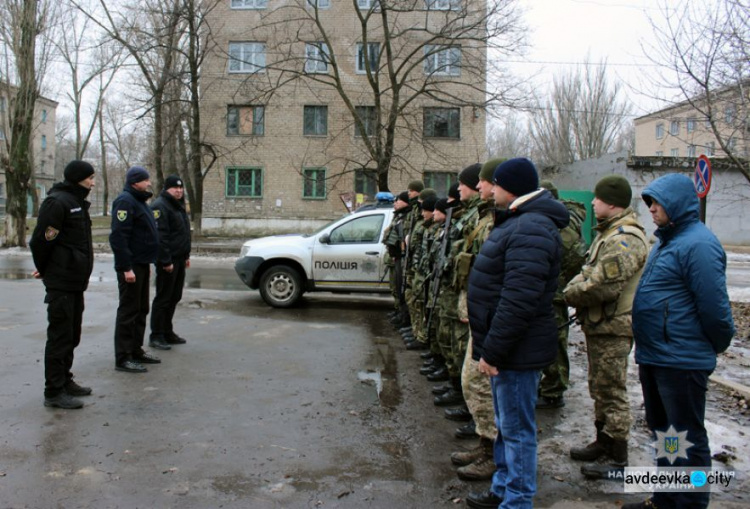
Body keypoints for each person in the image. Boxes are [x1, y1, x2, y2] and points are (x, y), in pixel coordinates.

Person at [624, 174, 735, 509]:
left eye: (657, 203)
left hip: (681, 360)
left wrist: (707, 347)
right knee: (667, 435)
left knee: (689, 438)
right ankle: (665, 498)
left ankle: (690, 502)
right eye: (649, 203)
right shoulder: (668, 241)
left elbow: (715, 310)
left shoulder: (698, 244)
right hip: (657, 356)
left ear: (676, 204)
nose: (652, 209)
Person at [466, 158, 568, 509]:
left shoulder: (531, 228)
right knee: (506, 425)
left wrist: (492, 351)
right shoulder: (521, 222)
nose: (488, 189)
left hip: (514, 350)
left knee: (517, 430)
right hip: (508, 347)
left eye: (494, 183)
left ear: (510, 187)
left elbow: (518, 300)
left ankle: (517, 501)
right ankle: (503, 489)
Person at [563, 175, 648, 479]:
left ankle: (617, 452)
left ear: (611, 202)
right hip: (601, 325)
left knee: (612, 390)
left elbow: (602, 285)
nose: (593, 203)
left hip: (614, 327)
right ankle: (603, 441)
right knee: (599, 387)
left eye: (597, 199)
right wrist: (575, 286)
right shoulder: (608, 234)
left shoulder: (625, 239)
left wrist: (569, 294)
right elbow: (586, 271)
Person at [30, 160, 96, 409]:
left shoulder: (76, 202)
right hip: (62, 281)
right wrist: (47, 269)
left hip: (75, 281)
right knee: (59, 336)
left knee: (72, 335)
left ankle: (65, 379)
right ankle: (53, 391)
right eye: (89, 177)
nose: (92, 181)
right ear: (78, 178)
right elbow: (40, 241)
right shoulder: (58, 202)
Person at [536, 180, 587, 409]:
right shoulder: (556, 222)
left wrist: (561, 282)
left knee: (555, 343)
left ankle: (554, 391)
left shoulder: (562, 228)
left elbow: (574, 258)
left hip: (555, 293)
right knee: (547, 340)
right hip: (549, 290)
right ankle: (548, 385)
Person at [110, 166, 161, 373]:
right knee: (129, 311)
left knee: (141, 309)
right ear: (135, 182)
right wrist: (126, 268)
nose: (149, 182)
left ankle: (136, 350)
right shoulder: (125, 201)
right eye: (145, 180)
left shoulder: (140, 201)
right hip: (130, 267)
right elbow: (119, 237)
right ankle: (123, 357)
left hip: (141, 263)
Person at [149, 174, 192, 350]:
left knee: (174, 296)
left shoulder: (178, 206)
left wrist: (186, 255)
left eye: (181, 188)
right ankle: (157, 335)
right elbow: (161, 237)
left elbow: (182, 233)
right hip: (168, 261)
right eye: (175, 188)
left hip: (179, 259)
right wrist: (166, 260)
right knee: (163, 297)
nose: (179, 191)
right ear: (167, 189)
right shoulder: (160, 206)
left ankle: (167, 331)